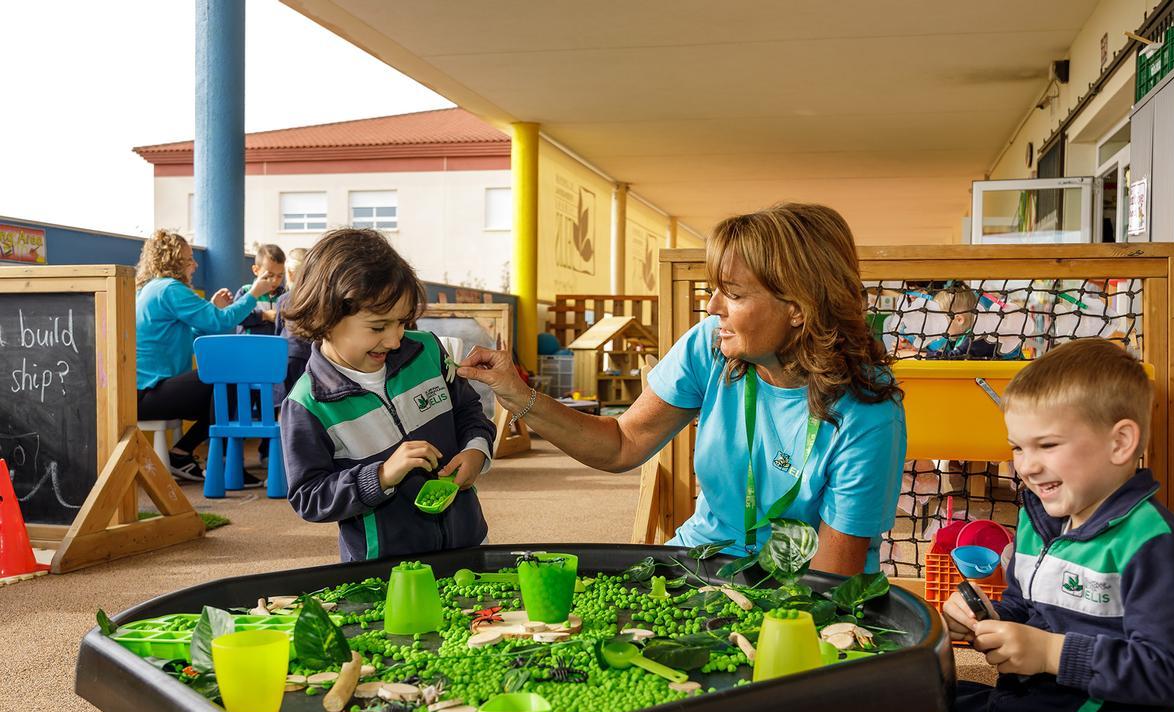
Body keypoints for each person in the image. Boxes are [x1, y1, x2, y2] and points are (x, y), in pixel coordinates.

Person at [459, 203, 906, 576]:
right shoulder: (710, 344)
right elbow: (621, 444)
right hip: (702, 560)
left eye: (732, 293)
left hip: (800, 585)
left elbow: (830, 579)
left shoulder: (869, 412)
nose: (712, 307)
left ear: (798, 308)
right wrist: (521, 396)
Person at [845, 338, 1174, 712]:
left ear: (1120, 442)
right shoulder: (1039, 520)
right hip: (1019, 709)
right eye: (1017, 447)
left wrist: (1052, 654)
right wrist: (986, 620)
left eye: (1047, 445)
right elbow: (1023, 610)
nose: (1027, 466)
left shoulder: (1154, 545)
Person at [280, 228, 495, 561]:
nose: (395, 340)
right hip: (382, 566)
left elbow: (469, 412)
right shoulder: (308, 404)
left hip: (464, 546)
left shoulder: (427, 352)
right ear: (325, 318)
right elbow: (310, 496)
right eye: (379, 327)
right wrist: (379, 477)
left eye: (402, 322)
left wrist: (476, 451)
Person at [135, 229, 279, 485]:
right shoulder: (170, 289)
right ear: (173, 261)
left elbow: (194, 336)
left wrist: (213, 310)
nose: (195, 264)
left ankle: (184, 454)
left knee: (224, 391)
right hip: (151, 392)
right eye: (189, 259)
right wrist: (254, 294)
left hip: (146, 392)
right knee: (231, 378)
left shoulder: (152, 288)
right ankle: (218, 462)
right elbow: (221, 321)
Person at [273, 247, 310, 406]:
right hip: (310, 358)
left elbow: (277, 331)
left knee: (284, 403)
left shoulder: (284, 299)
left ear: (290, 273)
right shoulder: (318, 298)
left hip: (285, 357)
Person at [924, 285, 1002, 359]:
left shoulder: (977, 338)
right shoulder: (957, 336)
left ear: (959, 320)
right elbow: (945, 352)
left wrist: (923, 355)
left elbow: (951, 358)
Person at [233, 244, 287, 335]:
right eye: (270, 274)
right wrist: (264, 315)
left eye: (280, 275)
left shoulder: (284, 295)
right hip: (249, 346)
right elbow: (237, 317)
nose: (274, 280)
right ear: (256, 270)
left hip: (274, 346)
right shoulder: (245, 292)